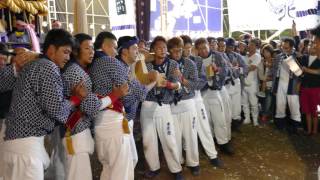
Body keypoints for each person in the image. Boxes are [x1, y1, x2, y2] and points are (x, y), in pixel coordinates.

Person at [0, 29, 87, 180]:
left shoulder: (36, 65)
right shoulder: (48, 67)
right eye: (65, 52)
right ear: (52, 50)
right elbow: (56, 109)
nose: (68, 57)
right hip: (26, 149)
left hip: (15, 145)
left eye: (69, 53)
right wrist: (75, 99)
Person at [61, 33, 129, 180]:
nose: (92, 52)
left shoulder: (83, 69)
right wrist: (115, 95)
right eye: (87, 48)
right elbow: (91, 107)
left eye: (92, 48)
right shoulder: (75, 72)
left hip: (80, 130)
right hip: (75, 131)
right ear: (76, 50)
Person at [89, 31, 148, 180]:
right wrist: (143, 88)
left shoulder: (94, 63)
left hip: (102, 121)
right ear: (104, 46)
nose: (116, 52)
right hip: (113, 123)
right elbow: (128, 97)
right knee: (120, 172)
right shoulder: (110, 61)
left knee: (111, 170)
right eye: (114, 48)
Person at [140, 36, 184, 180]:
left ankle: (176, 169)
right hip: (147, 104)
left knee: (169, 138)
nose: (163, 50)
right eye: (159, 47)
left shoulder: (172, 64)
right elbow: (140, 82)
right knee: (148, 140)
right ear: (152, 50)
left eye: (165, 48)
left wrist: (171, 85)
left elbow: (178, 84)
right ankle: (154, 167)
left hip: (164, 105)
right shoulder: (146, 65)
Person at [180, 35, 223, 167]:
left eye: (188, 48)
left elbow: (201, 82)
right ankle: (188, 156)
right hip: (182, 100)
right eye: (183, 49)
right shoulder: (173, 62)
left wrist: (186, 83)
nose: (186, 51)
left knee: (204, 126)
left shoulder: (197, 61)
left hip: (197, 97)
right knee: (185, 131)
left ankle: (212, 154)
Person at [117, 35, 159, 168]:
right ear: (124, 51)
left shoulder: (126, 67)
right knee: (123, 163)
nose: (138, 52)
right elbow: (141, 94)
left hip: (125, 119)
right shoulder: (122, 69)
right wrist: (154, 80)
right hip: (119, 121)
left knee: (131, 159)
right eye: (135, 48)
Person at [194, 37, 234, 155]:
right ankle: (210, 141)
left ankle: (223, 142)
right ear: (197, 50)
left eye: (205, 47)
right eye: (200, 49)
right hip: (202, 94)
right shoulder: (196, 60)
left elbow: (227, 70)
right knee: (207, 119)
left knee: (220, 118)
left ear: (208, 46)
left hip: (216, 91)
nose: (203, 51)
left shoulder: (217, 56)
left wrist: (218, 70)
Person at [167, 37, 200, 175]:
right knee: (175, 136)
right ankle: (178, 161)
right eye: (174, 51)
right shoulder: (166, 64)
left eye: (180, 50)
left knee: (191, 134)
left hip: (188, 102)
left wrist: (181, 78)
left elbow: (195, 84)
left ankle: (193, 162)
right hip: (172, 104)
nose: (178, 54)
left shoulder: (190, 63)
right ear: (169, 51)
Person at [272, 38, 301, 133]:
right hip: (280, 83)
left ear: (292, 47)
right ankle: (280, 125)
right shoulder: (278, 57)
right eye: (283, 47)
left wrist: (290, 60)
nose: (284, 49)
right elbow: (275, 72)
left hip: (292, 85)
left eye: (286, 48)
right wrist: (275, 87)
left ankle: (295, 127)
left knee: (294, 106)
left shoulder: (297, 56)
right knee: (280, 105)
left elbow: (299, 73)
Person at [299, 25, 320, 135]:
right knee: (306, 111)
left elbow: (318, 72)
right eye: (311, 43)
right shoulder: (304, 57)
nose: (312, 45)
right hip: (305, 88)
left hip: (316, 89)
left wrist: (306, 70)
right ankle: (309, 130)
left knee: (315, 112)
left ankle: (315, 130)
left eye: (314, 43)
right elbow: (300, 72)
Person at [223, 38, 248, 131]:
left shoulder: (237, 56)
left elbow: (245, 68)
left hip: (236, 82)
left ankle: (235, 124)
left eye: (232, 46)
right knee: (227, 105)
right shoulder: (220, 56)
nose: (230, 48)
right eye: (228, 46)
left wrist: (238, 70)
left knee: (236, 104)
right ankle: (227, 125)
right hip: (225, 83)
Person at [242, 39, 262, 126]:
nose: (250, 46)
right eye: (249, 44)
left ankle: (255, 120)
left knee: (254, 102)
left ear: (256, 47)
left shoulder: (257, 56)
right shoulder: (244, 56)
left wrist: (240, 70)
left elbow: (253, 67)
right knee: (244, 102)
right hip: (244, 82)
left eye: (252, 45)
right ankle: (247, 118)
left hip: (253, 83)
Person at [258, 45, 275, 124]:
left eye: (267, 52)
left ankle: (269, 117)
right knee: (266, 102)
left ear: (271, 52)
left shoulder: (275, 61)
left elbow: (276, 74)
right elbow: (261, 75)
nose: (265, 54)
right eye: (264, 52)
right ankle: (264, 116)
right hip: (265, 85)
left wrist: (268, 78)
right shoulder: (262, 62)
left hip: (273, 85)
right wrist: (264, 80)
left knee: (272, 102)